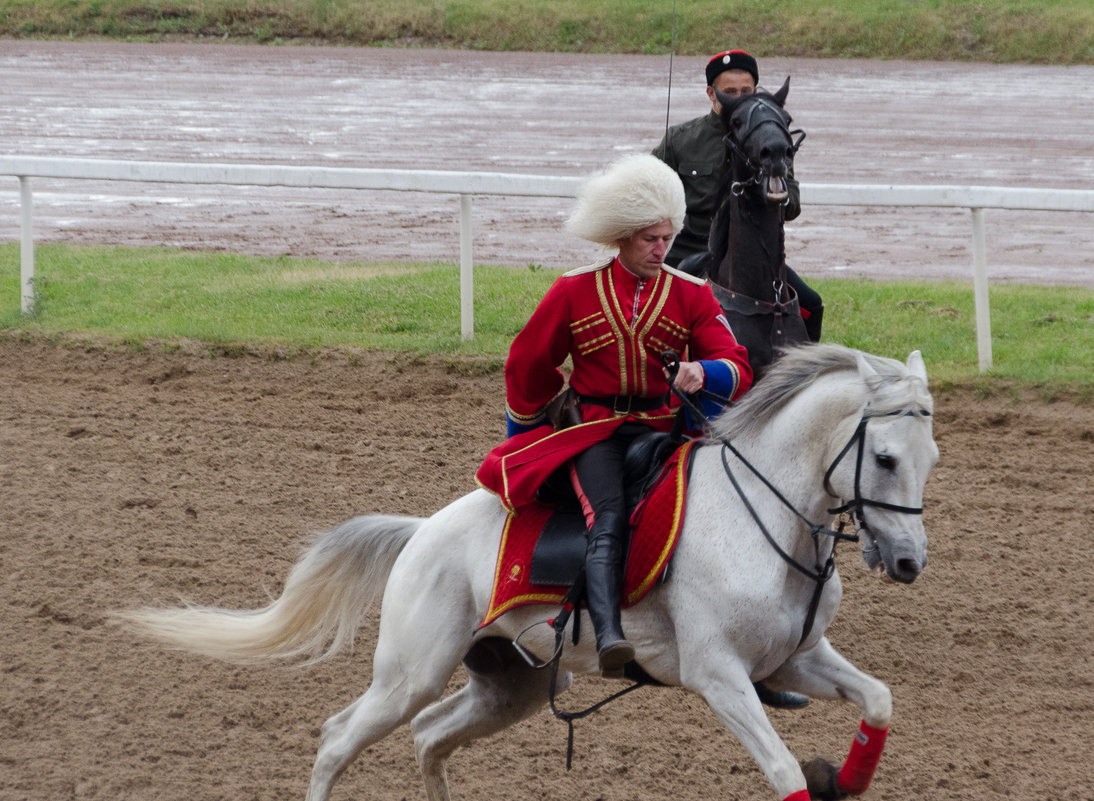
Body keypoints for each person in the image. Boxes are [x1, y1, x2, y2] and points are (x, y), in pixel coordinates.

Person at [476, 153, 753, 678]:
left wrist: (704, 372)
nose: (662, 249)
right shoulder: (572, 290)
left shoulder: (692, 293)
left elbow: (737, 366)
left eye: (667, 238)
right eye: (650, 238)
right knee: (606, 519)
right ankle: (609, 635)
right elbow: (527, 363)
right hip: (595, 436)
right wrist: (528, 437)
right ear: (622, 236)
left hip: (670, 433)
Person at [652, 49, 824, 342]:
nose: (739, 96)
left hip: (754, 259)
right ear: (711, 92)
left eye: (746, 90)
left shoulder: (770, 139)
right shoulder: (681, 139)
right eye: (729, 91)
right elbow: (648, 196)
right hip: (689, 256)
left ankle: (802, 378)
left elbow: (792, 205)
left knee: (811, 303)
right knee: (667, 319)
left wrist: (773, 191)